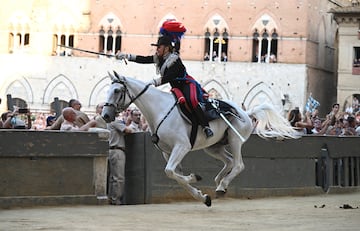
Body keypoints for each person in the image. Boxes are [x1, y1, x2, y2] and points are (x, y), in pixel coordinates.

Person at [116, 35, 213, 138]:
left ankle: (206, 126)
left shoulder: (174, 60)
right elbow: (144, 59)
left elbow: (170, 77)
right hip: (176, 88)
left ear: (166, 48)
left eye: (159, 47)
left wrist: (154, 82)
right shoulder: (160, 58)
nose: (157, 49)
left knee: (192, 100)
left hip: (186, 85)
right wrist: (126, 56)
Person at [107, 113, 133, 205]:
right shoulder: (115, 121)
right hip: (117, 150)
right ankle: (116, 199)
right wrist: (129, 122)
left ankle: (112, 198)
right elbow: (128, 130)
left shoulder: (110, 122)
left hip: (113, 150)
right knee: (118, 177)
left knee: (113, 177)